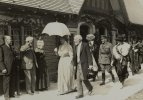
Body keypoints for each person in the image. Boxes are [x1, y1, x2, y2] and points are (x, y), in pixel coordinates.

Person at [73, 34, 93, 99]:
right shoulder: (75, 46)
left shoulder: (85, 45)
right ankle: (80, 94)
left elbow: (89, 55)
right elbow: (75, 57)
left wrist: (90, 64)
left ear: (79, 39)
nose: (74, 40)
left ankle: (90, 88)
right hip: (78, 65)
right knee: (78, 79)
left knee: (84, 78)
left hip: (84, 64)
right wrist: (74, 65)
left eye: (75, 39)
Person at [0, 35, 15, 100]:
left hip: (12, 67)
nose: (11, 40)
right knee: (6, 82)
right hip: (6, 68)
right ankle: (6, 96)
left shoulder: (10, 47)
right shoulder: (2, 47)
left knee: (11, 81)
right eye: (9, 39)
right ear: (6, 40)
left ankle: (11, 94)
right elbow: (0, 59)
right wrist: (3, 68)